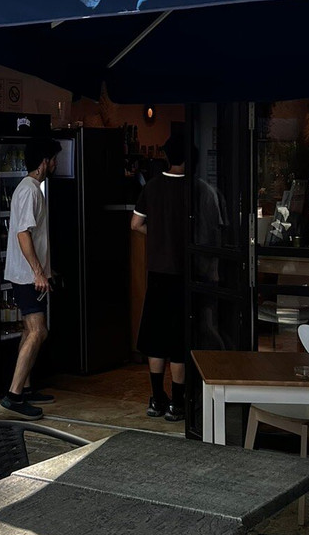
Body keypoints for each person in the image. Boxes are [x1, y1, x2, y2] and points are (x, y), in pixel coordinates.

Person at [0, 137, 62, 419]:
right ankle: (13, 396)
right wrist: (38, 272)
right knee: (38, 331)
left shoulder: (33, 189)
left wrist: (46, 270)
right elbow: (23, 234)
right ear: (44, 162)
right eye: (54, 159)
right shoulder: (29, 191)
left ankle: (24, 389)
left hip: (30, 274)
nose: (56, 164)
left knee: (30, 330)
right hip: (27, 276)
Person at [131, 134, 188, 422]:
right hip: (182, 273)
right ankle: (178, 402)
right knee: (178, 341)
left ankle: (156, 398)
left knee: (156, 338)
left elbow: (135, 223)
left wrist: (156, 235)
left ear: (166, 156)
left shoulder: (152, 187)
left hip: (156, 272)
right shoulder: (193, 188)